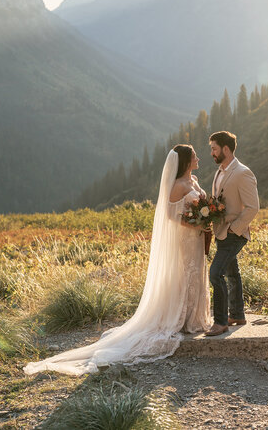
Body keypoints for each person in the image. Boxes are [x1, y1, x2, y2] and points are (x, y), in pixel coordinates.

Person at [24, 145, 211, 376]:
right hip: (186, 238)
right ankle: (180, 320)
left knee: (196, 272)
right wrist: (195, 223)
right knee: (184, 274)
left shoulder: (193, 179)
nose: (198, 158)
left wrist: (206, 217)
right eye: (194, 156)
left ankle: (195, 318)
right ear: (185, 161)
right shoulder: (177, 186)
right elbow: (171, 216)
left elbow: (199, 206)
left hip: (197, 238)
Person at [206, 131, 259, 336]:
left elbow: (253, 207)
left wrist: (232, 229)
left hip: (234, 233)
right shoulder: (220, 171)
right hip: (221, 232)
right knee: (231, 273)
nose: (211, 152)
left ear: (225, 149)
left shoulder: (243, 172)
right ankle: (237, 314)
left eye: (214, 148)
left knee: (215, 273)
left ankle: (220, 322)